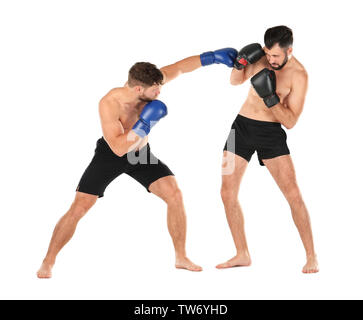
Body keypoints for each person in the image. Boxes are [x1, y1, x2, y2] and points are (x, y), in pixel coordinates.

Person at [37, 47, 237, 278]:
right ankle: (48, 261)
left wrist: (211, 58)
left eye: (160, 86)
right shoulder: (110, 103)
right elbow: (119, 148)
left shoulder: (150, 84)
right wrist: (144, 124)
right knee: (79, 207)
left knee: (174, 194)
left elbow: (181, 68)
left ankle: (181, 257)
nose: (160, 92)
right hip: (111, 155)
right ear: (139, 89)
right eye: (156, 89)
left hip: (141, 155)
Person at [217, 26, 319, 273]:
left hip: (270, 134)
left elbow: (291, 121)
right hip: (239, 128)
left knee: (293, 194)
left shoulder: (299, 75)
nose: (271, 61)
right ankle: (242, 253)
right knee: (227, 192)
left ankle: (311, 256)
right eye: (268, 54)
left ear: (289, 51)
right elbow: (234, 82)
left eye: (276, 56)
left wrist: (270, 98)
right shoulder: (260, 58)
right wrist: (240, 64)